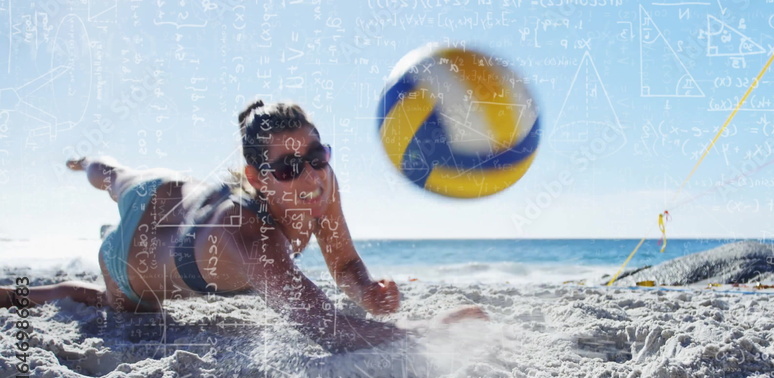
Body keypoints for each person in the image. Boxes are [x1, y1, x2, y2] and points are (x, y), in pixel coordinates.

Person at [1, 100, 485, 351]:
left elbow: (344, 262)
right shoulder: (253, 242)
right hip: (130, 260)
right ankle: (81, 172)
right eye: (290, 167)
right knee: (109, 292)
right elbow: (330, 329)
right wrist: (430, 330)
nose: (312, 175)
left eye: (317, 156)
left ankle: (91, 163)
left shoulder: (319, 186)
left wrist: (366, 290)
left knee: (111, 175)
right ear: (256, 177)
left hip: (176, 194)